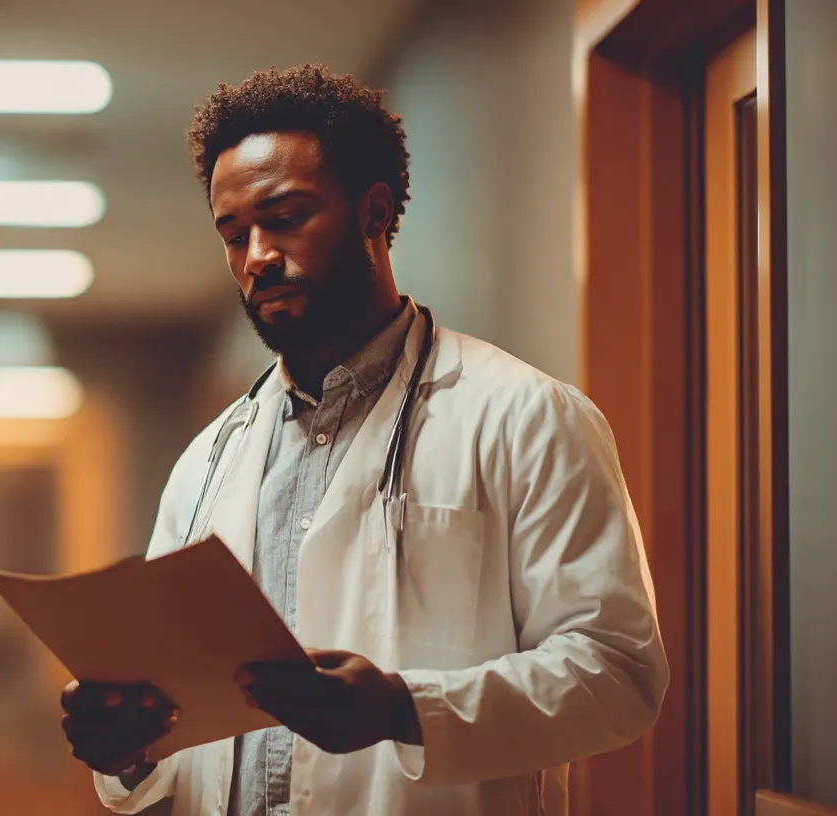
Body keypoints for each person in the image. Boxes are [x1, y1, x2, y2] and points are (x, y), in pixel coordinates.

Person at [57, 64, 668, 816]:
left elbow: (617, 672)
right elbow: (180, 722)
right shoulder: (208, 461)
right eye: (234, 234)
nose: (256, 257)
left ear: (374, 212)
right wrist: (127, 750)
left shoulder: (526, 417)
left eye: (285, 217)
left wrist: (404, 709)